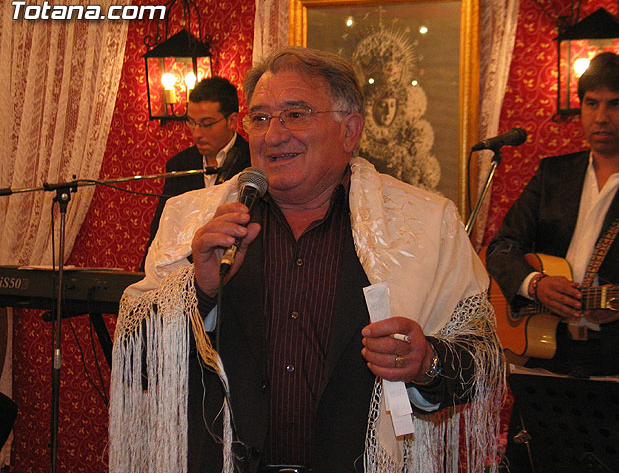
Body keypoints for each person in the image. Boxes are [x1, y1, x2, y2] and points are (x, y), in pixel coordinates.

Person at [110, 46, 503, 473]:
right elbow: (136, 362)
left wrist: (427, 363)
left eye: (295, 115)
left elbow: (482, 358)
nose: (272, 135)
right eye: (260, 118)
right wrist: (200, 289)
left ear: (350, 130)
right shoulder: (191, 221)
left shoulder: (425, 223)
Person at [486, 51, 619, 382]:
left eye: (615, 104)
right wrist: (535, 284)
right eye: (591, 103)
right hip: (544, 354)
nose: (601, 117)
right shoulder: (553, 174)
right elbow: (502, 247)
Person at [142, 76, 251, 266]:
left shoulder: (252, 162)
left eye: (207, 124)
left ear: (232, 120)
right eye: (192, 122)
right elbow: (161, 230)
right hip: (181, 270)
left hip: (234, 267)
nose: (197, 133)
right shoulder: (180, 164)